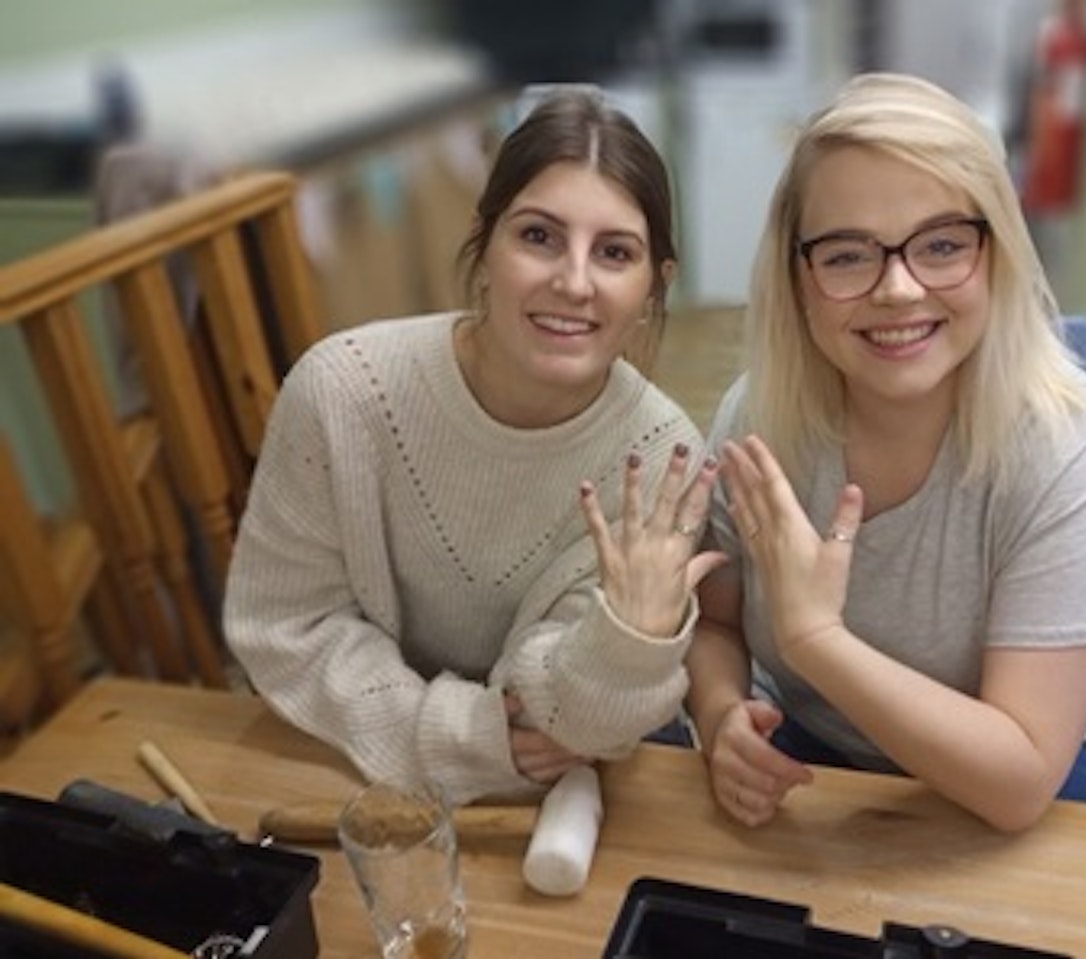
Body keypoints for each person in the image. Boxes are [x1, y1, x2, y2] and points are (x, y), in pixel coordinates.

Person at [225, 88, 725, 803]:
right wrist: (463, 737)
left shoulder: (662, 457)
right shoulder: (341, 390)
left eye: (615, 253)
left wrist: (632, 641)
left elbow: (573, 717)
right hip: (355, 759)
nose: (573, 282)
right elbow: (286, 624)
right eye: (538, 237)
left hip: (564, 787)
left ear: (654, 288)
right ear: (484, 246)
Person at [685, 73, 1086, 833]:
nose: (897, 289)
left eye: (941, 245)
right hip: (814, 747)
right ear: (798, 279)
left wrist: (815, 640)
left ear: (997, 252)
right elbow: (716, 625)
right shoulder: (759, 417)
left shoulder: (1075, 445)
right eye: (846, 255)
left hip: (1012, 777)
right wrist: (721, 714)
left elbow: (1021, 780)